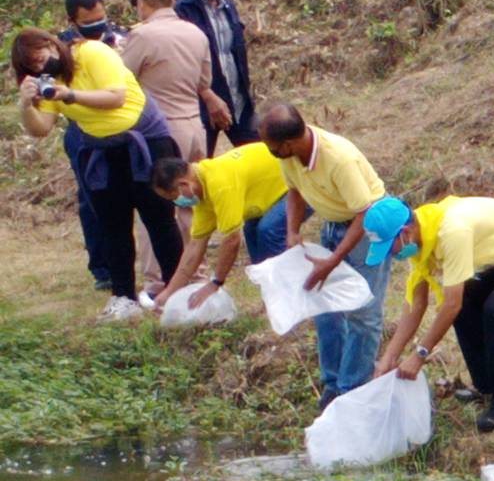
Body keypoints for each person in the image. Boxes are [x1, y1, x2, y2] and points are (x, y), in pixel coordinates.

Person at [13, 24, 183, 319]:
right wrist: (26, 104)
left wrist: (70, 96)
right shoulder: (51, 81)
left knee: (159, 218)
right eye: (33, 66)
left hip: (145, 141)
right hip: (101, 149)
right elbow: (41, 128)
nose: (42, 66)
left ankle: (178, 290)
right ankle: (123, 297)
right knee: (112, 225)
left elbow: (115, 96)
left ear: (51, 44)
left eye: (41, 57)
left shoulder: (91, 52)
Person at [366, 196, 494, 432]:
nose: (390, 256)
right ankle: (487, 388)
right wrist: (389, 357)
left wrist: (419, 355)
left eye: (389, 248)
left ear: (405, 232)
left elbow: (450, 304)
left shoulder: (451, 232)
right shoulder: (420, 238)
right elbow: (416, 303)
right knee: (468, 304)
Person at [262, 103, 392, 406]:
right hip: (335, 224)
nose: (270, 152)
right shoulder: (291, 155)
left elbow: (364, 212)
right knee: (325, 307)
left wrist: (333, 261)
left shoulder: (338, 158)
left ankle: (352, 392)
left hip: (369, 228)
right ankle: (333, 383)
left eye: (272, 147)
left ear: (289, 143)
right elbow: (294, 191)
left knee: (364, 312)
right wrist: (292, 232)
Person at [148, 143, 289, 310]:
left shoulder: (220, 184)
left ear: (183, 185)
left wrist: (216, 282)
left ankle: (287, 296)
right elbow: (195, 247)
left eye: (173, 197)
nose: (176, 203)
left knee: (268, 231)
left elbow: (232, 240)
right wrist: (169, 293)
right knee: (253, 235)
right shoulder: (202, 192)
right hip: (267, 195)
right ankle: (273, 297)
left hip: (293, 184)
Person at [56, 0, 128, 291]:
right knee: (92, 198)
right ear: (73, 21)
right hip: (83, 128)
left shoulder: (119, 36)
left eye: (101, 18)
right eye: (89, 22)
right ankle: (103, 267)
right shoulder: (61, 49)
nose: (98, 26)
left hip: (124, 124)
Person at [120, 0, 220, 163]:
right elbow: (204, 82)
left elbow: (121, 79)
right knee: (194, 188)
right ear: (172, 2)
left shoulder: (142, 35)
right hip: (196, 128)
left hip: (163, 131)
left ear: (141, 4)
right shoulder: (196, 32)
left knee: (164, 190)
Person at [173, 0, 251, 153]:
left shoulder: (228, 5)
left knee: (260, 159)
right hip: (203, 106)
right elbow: (183, 63)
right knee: (199, 168)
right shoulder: (182, 11)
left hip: (238, 100)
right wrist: (208, 96)